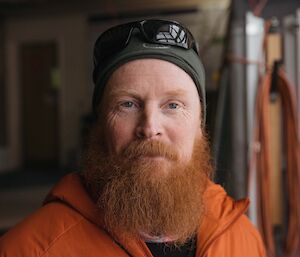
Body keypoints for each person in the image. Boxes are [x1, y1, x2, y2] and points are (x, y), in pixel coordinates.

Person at [0, 19, 266, 257]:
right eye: (127, 104)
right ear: (100, 125)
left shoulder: (241, 238)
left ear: (200, 125)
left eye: (173, 105)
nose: (150, 128)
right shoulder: (27, 250)